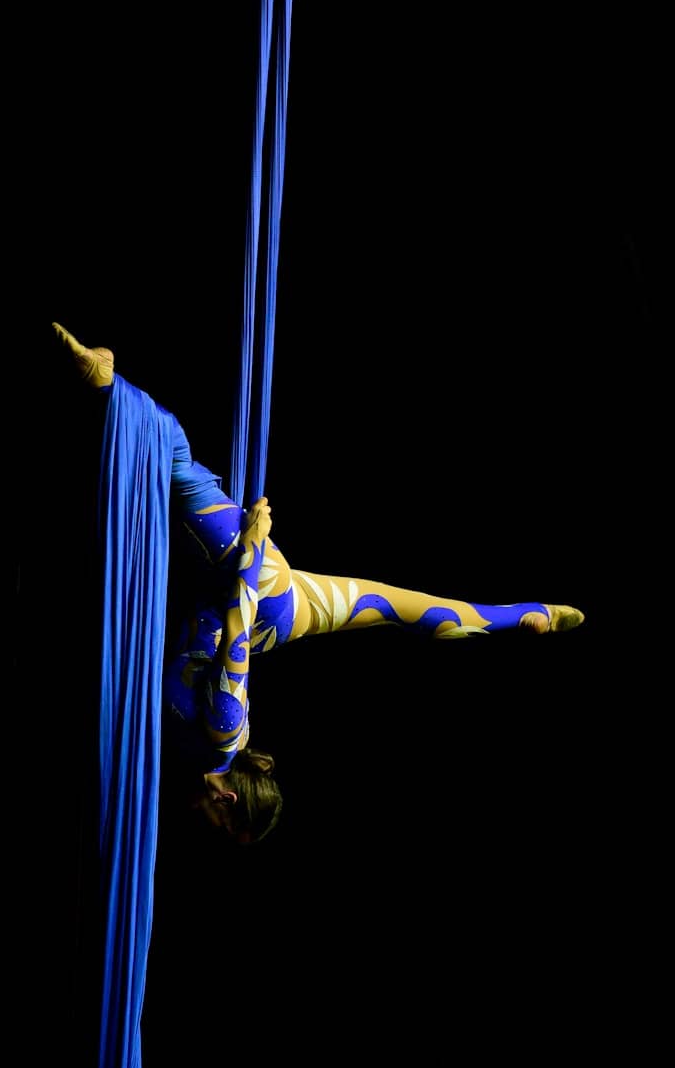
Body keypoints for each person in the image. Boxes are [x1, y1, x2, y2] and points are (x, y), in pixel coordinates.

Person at [52, 322, 585, 849]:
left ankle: (525, 615)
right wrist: (256, 542)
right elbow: (237, 627)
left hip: (272, 610)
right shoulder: (222, 731)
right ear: (229, 801)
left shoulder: (206, 752)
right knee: (174, 456)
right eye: (221, 829)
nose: (206, 827)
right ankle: (106, 380)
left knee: (407, 610)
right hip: (254, 585)